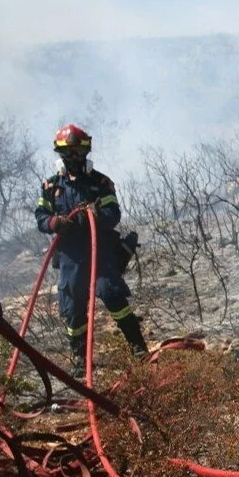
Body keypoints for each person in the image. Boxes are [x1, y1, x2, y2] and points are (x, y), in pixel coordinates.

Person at [35, 124, 147, 375]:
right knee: (73, 305)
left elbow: (113, 213)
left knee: (111, 293)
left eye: (79, 152)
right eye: (69, 152)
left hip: (100, 251)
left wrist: (93, 217)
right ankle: (80, 360)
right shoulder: (51, 187)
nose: (74, 158)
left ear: (86, 152)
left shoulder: (100, 183)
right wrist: (54, 222)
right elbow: (41, 216)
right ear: (60, 154)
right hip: (70, 256)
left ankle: (138, 347)